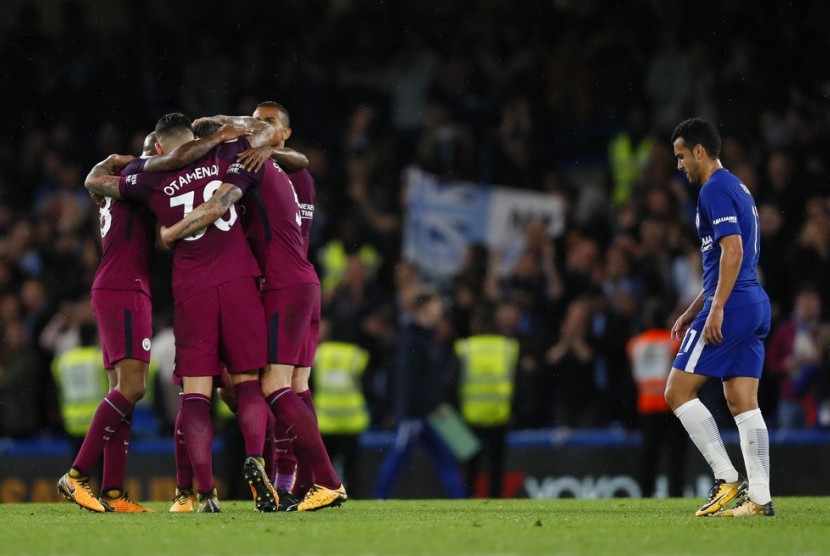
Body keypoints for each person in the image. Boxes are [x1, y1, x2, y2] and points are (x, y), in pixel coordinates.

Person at [84, 112, 277, 513]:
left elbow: (99, 184)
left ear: (159, 146)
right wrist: (240, 130)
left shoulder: (150, 176)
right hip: (240, 276)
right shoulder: (230, 155)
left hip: (191, 286)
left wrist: (111, 166)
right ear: (193, 136)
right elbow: (267, 133)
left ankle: (201, 492)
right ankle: (257, 458)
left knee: (195, 392)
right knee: (246, 383)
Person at [160, 110, 347, 512]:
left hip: (281, 285)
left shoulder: (241, 165)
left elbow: (214, 208)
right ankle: (306, 483)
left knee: (273, 387)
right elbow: (288, 152)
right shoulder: (269, 160)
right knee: (294, 387)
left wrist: (171, 233)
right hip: (302, 282)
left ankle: (327, 481)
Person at [665, 117, 774, 517]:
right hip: (753, 301)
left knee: (676, 392)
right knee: (742, 401)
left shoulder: (714, 189)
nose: (679, 166)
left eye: (681, 157)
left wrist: (717, 308)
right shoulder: (736, 188)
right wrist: (696, 306)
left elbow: (733, 252)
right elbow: (721, 261)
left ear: (699, 152)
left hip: (736, 304)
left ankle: (727, 479)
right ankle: (760, 499)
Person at [372, 288, 466, 500]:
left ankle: (461, 499)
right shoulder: (411, 340)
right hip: (415, 414)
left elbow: (427, 380)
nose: (439, 309)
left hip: (428, 413)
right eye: (436, 305)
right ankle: (378, 497)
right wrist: (408, 412)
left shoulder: (426, 337)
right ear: (424, 308)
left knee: (444, 458)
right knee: (398, 458)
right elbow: (408, 381)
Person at [454, 304, 518, 498]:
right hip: (500, 416)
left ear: (475, 324)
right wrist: (515, 410)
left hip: (470, 417)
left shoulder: (465, 348)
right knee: (496, 467)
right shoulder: (508, 348)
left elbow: (451, 382)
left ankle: (468, 502)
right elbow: (519, 382)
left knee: (470, 468)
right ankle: (496, 503)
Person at [627, 302, 686, 498]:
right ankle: (676, 493)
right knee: (675, 456)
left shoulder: (635, 344)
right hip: (670, 406)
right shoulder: (673, 343)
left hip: (646, 406)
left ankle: (646, 493)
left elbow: (632, 378)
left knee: (648, 456)